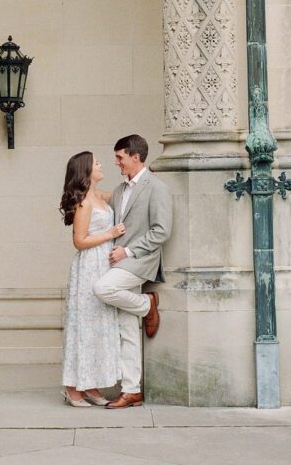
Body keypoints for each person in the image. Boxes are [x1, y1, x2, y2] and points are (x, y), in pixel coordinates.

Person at [92, 133, 173, 409]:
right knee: (127, 329)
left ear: (135, 157)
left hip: (141, 261)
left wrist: (127, 251)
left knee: (102, 289)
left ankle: (147, 304)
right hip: (120, 262)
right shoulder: (118, 190)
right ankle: (132, 390)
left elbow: (161, 231)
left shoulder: (157, 187)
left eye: (120, 157)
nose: (117, 163)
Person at [58, 150, 125, 407]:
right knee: (83, 326)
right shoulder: (84, 202)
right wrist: (110, 234)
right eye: (96, 162)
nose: (100, 165)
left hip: (103, 264)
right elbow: (79, 240)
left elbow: (124, 194)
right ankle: (73, 388)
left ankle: (91, 384)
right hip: (89, 266)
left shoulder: (99, 195)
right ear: (86, 170)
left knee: (98, 326)